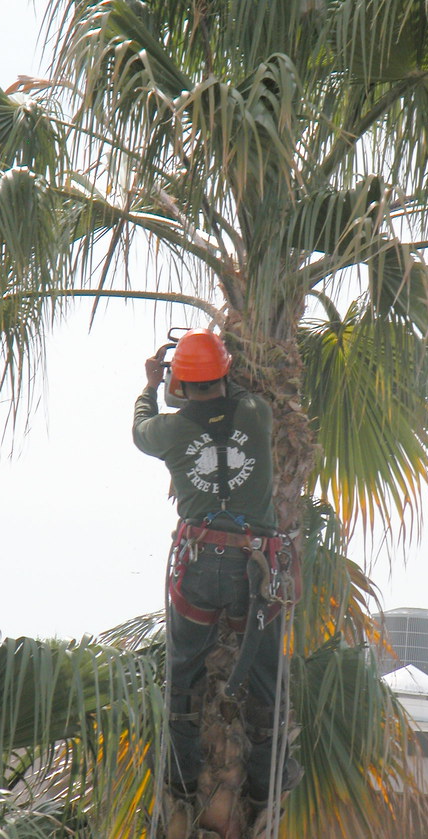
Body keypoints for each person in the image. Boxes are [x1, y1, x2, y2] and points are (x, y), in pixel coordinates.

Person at [132, 327, 299, 806]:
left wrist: (151, 385)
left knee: (183, 674)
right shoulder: (257, 413)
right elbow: (236, 391)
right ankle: (265, 783)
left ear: (180, 383)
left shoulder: (168, 430)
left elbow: (140, 426)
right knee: (267, 678)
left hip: (201, 565)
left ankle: (183, 778)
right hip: (258, 568)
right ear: (226, 374)